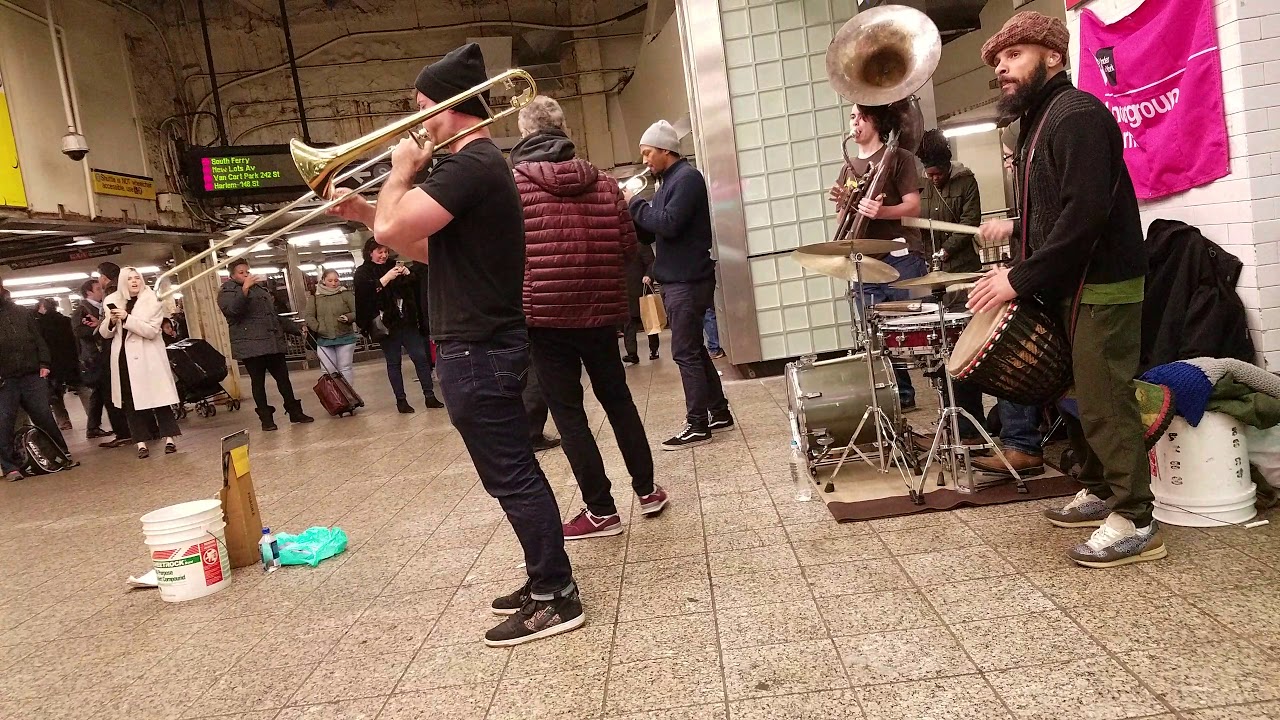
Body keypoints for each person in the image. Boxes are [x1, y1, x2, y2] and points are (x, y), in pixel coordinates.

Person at [326, 43, 582, 646]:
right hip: (479, 344)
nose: (415, 124)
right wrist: (367, 210)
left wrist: (396, 176)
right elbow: (422, 248)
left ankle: (556, 595)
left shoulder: (471, 166)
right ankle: (544, 576)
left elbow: (394, 229)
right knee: (511, 472)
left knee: (512, 475)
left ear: (450, 108)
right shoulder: (473, 169)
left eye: (421, 108)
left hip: (479, 347)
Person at [971, 11, 1161, 568]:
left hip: (1101, 284)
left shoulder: (1075, 114)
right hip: (1069, 284)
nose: (1003, 68)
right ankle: (1101, 487)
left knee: (1103, 399)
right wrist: (1017, 233)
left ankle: (1136, 518)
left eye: (1014, 55)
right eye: (999, 61)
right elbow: (1058, 210)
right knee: (1071, 392)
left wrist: (1018, 278)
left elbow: (1086, 217)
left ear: (1053, 56)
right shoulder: (1039, 119)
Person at [511, 95, 668, 540]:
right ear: (563, 130)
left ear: (525, 134)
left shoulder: (516, 185)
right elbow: (625, 247)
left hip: (545, 316)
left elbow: (506, 254)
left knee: (568, 412)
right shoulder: (601, 182)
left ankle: (601, 510)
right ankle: (648, 489)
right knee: (617, 400)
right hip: (601, 311)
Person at [626, 119, 733, 449]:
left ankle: (698, 423)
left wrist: (634, 202)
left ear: (664, 150)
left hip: (687, 280)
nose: (645, 160)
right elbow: (655, 230)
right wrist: (635, 216)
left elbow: (669, 224)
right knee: (695, 349)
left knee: (684, 352)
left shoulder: (686, 179)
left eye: (647, 153)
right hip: (682, 277)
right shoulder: (668, 182)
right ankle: (719, 411)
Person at [829, 104, 925, 409]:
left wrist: (882, 211)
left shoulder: (899, 157)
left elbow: (913, 206)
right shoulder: (849, 168)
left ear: (875, 121)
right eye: (851, 117)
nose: (853, 122)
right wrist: (847, 204)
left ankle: (938, 387)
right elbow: (843, 219)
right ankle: (900, 396)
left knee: (913, 330)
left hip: (900, 256)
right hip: (864, 261)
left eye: (859, 116)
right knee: (875, 333)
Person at [218, 258, 315, 430]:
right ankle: (266, 419)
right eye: (241, 273)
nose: (246, 275)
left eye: (247, 271)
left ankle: (294, 412)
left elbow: (273, 315)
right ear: (232, 275)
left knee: (283, 379)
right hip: (251, 346)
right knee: (258, 382)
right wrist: (244, 289)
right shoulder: (227, 292)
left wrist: (295, 328)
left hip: (272, 343)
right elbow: (233, 311)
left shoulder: (260, 290)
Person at [99, 267, 182, 459]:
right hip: (124, 358)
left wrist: (127, 318)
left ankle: (169, 438)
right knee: (130, 401)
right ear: (122, 282)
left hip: (148, 357)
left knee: (160, 398)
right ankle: (141, 442)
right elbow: (105, 333)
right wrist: (111, 321)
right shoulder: (112, 301)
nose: (135, 281)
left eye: (138, 278)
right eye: (130, 279)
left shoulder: (152, 300)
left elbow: (152, 331)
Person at [0, 279, 78, 481]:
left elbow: (39, 340)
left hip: (32, 374)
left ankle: (62, 454)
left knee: (43, 415)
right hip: (4, 379)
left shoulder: (22, 313)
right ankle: (10, 467)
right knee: (4, 422)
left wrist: (44, 363)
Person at [352, 240, 442, 412]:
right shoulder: (363, 272)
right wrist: (386, 279)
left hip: (406, 322)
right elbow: (365, 295)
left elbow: (414, 287)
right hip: (386, 326)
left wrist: (408, 274)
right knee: (394, 363)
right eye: (379, 252)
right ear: (370, 252)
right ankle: (401, 400)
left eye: (386, 251)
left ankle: (429, 395)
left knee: (420, 358)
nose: (384, 255)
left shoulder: (394, 265)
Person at [72, 278, 132, 447]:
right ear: (88, 292)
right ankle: (118, 430)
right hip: (96, 358)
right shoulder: (82, 311)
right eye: (98, 289)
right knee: (105, 394)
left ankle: (102, 427)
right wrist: (100, 329)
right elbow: (79, 331)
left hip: (108, 355)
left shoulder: (103, 307)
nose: (101, 291)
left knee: (103, 394)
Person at [304, 268, 359, 386]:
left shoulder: (345, 294)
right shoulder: (315, 297)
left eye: (336, 280)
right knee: (327, 371)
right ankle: (335, 398)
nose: (334, 283)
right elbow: (309, 316)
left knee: (345, 368)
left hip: (345, 337)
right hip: (323, 340)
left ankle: (349, 397)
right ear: (323, 280)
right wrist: (318, 328)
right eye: (330, 280)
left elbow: (358, 311)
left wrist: (349, 317)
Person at [34, 298, 79, 431]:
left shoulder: (40, 324)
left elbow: (41, 345)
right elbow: (73, 341)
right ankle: (93, 422)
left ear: (43, 307)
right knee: (82, 389)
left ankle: (64, 421)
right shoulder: (66, 320)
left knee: (55, 396)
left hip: (52, 363)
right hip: (70, 361)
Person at [622, 239, 659, 364]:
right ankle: (632, 353)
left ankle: (654, 350)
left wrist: (649, 275)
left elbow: (651, 262)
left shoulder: (641, 243)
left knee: (649, 320)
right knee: (629, 324)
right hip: (626, 290)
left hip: (642, 288)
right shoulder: (618, 246)